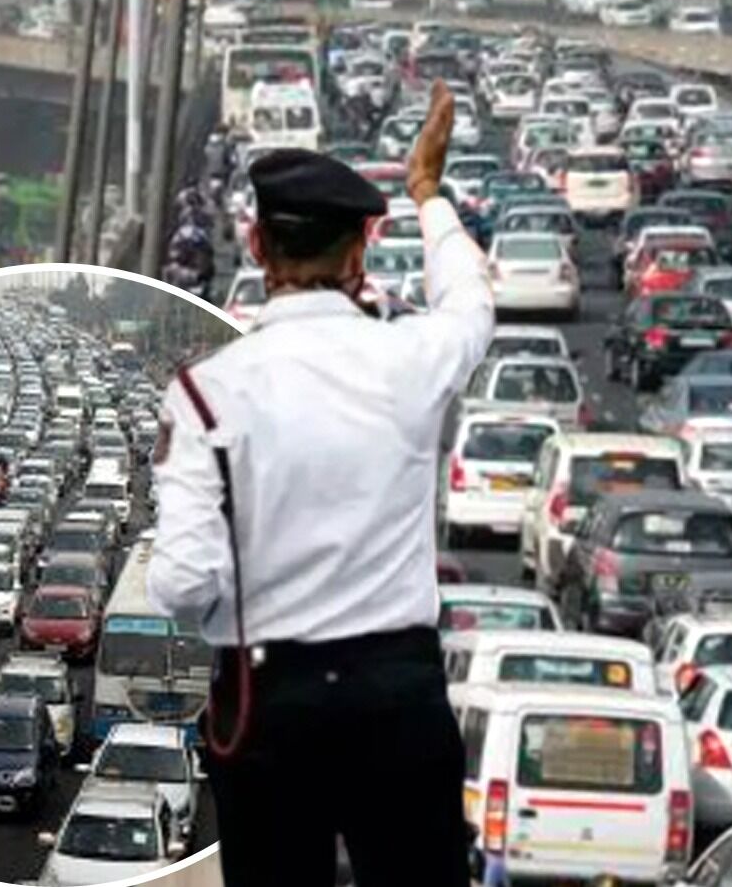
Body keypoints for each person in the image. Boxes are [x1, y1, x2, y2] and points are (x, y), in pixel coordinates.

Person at [146, 81, 490, 886]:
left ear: (255, 246)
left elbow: (183, 582)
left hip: (268, 700)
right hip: (397, 692)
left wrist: (240, 603)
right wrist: (428, 194)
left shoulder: (205, 394)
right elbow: (472, 300)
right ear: (359, 254)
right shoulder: (411, 360)